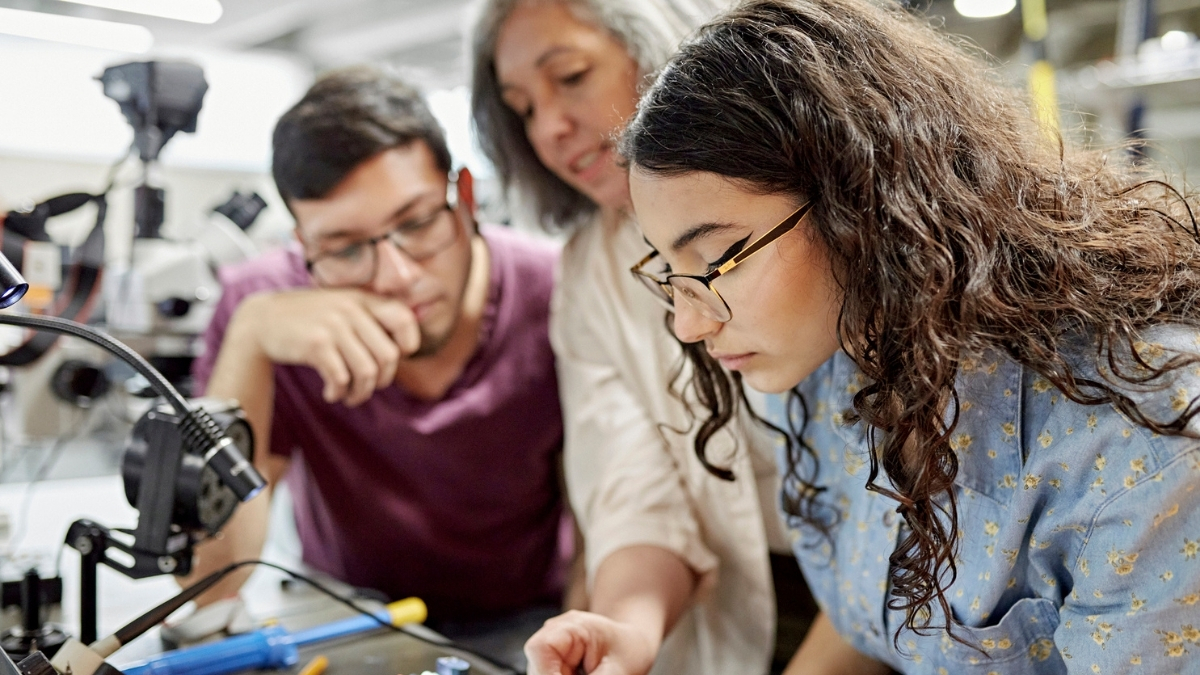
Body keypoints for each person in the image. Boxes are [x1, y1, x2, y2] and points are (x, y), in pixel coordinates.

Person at [609, 0, 1200, 673]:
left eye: (718, 258)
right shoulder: (837, 356)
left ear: (862, 198)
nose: (688, 322)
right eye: (669, 271)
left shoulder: (1143, 441)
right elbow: (878, 611)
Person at [470, 2, 816, 674]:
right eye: (524, 108)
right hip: (744, 604)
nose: (550, 128)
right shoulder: (591, 269)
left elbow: (899, 502)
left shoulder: (803, 207)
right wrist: (622, 629)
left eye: (571, 76)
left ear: (664, 48)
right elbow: (631, 480)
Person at [187, 65, 569, 666]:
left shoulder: (556, 291)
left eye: (416, 223)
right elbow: (210, 583)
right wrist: (251, 340)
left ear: (465, 197)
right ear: (303, 244)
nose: (396, 276)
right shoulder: (264, 307)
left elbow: (617, 519)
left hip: (529, 624)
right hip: (344, 616)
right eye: (344, 249)